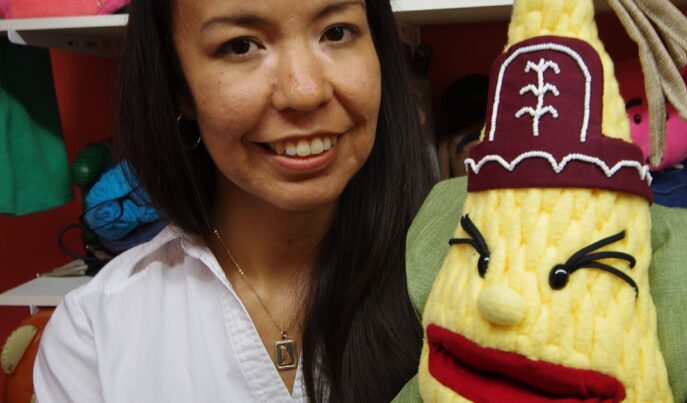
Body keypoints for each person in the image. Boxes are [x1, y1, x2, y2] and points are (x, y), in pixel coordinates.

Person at [33, 0, 436, 402]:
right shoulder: (94, 336)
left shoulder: (468, 276)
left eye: (336, 32)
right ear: (179, 87)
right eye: (241, 45)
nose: (305, 91)